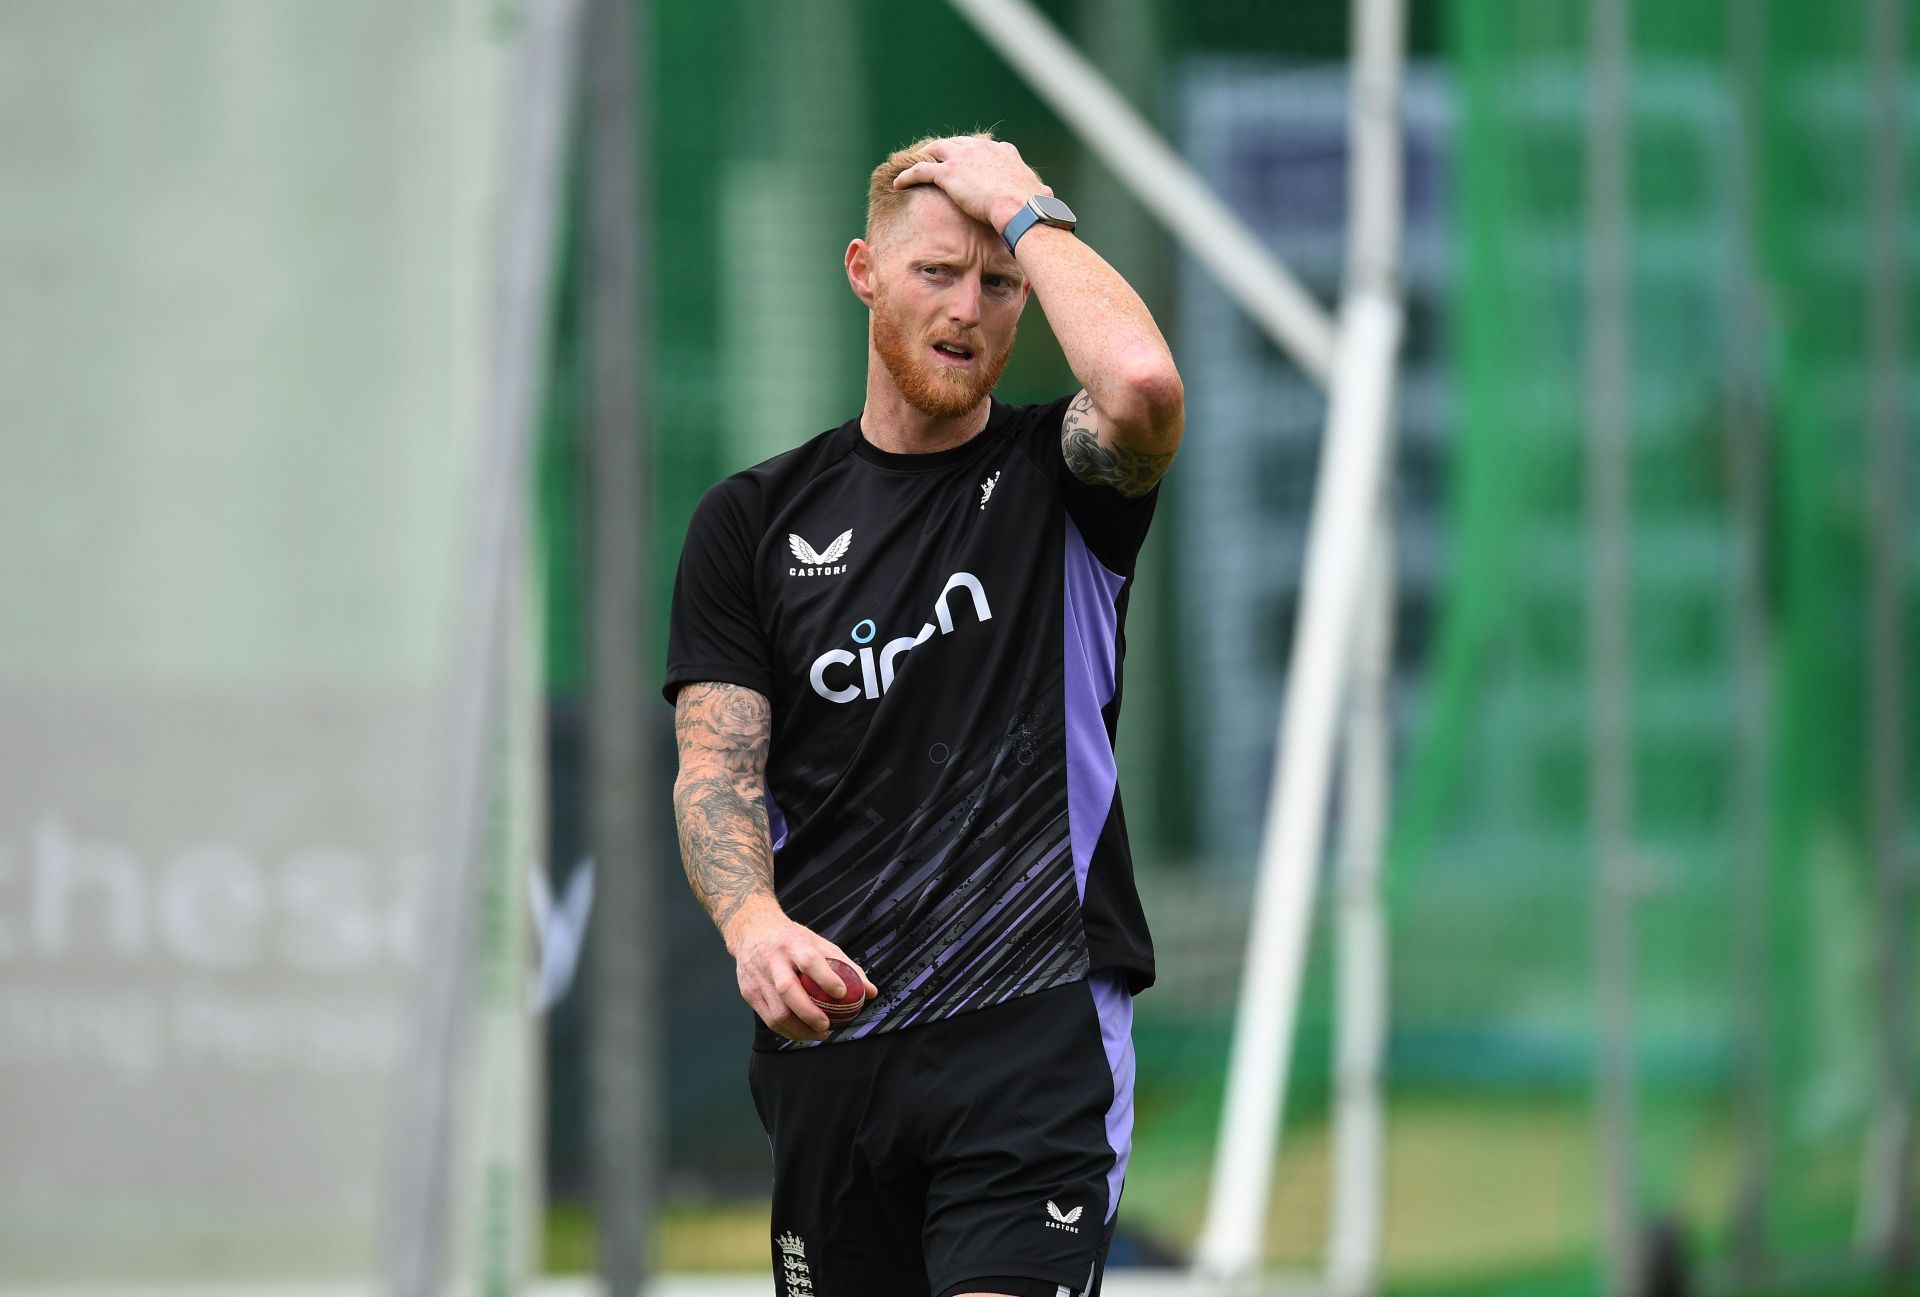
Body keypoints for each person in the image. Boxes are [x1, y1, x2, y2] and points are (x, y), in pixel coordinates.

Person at [664, 131, 1184, 1297]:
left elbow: (1144, 388)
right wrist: (755, 929)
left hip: (1030, 1029)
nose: (969, 309)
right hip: (832, 1048)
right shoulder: (749, 523)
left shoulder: (1061, 473)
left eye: (997, 282)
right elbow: (715, 773)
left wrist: (1023, 212)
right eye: (934, 273)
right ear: (862, 271)